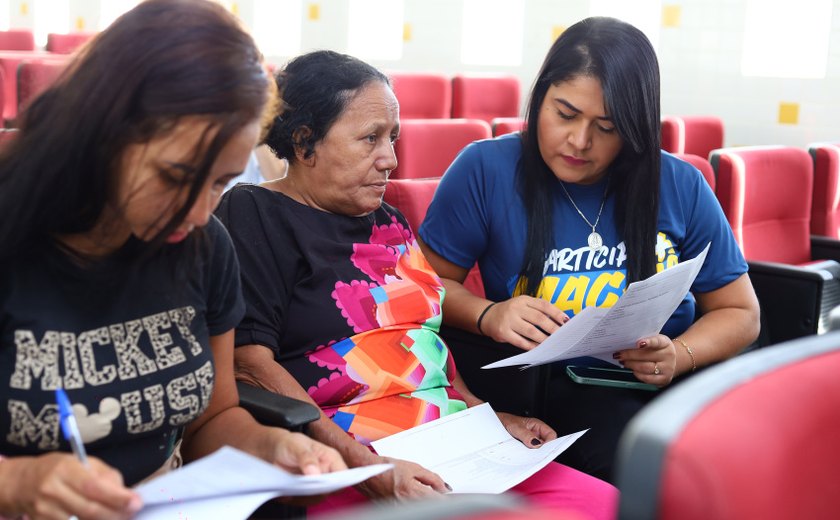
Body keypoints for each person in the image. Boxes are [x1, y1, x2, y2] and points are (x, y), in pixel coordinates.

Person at [216, 49, 618, 519]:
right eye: (370, 139)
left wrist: (484, 417)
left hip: (448, 443)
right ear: (305, 142)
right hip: (344, 453)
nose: (390, 159)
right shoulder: (254, 214)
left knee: (605, 505)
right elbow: (248, 363)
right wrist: (369, 468)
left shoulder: (388, 221)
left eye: (393, 138)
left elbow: (424, 340)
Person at [0, 1, 346, 519]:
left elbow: (212, 420)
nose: (200, 211)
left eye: (220, 184)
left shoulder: (204, 247)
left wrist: (274, 448)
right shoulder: (13, 237)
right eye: (175, 176)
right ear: (101, 132)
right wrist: (18, 479)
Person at [418, 16, 761, 483]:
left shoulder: (678, 183)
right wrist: (488, 314)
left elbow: (741, 311)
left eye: (606, 126)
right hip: (551, 391)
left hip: (662, 387)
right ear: (540, 100)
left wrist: (679, 354)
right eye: (564, 114)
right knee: (654, 472)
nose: (580, 141)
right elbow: (423, 288)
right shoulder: (486, 169)